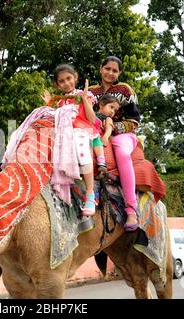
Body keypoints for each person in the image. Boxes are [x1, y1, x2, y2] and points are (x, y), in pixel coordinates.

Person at [89, 56, 141, 231]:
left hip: (122, 135)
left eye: (115, 70)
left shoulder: (125, 90)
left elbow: (134, 121)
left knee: (121, 152)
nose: (110, 73)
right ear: (100, 69)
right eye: (107, 69)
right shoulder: (91, 92)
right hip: (93, 132)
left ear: (119, 73)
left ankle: (131, 208)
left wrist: (110, 128)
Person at [44, 64, 103, 216]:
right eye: (62, 81)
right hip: (66, 133)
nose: (66, 83)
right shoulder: (61, 101)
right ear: (57, 85)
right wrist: (48, 105)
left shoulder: (84, 94)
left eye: (69, 78)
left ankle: (90, 194)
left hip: (83, 130)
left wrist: (84, 99)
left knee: (80, 145)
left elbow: (91, 119)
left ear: (75, 77)